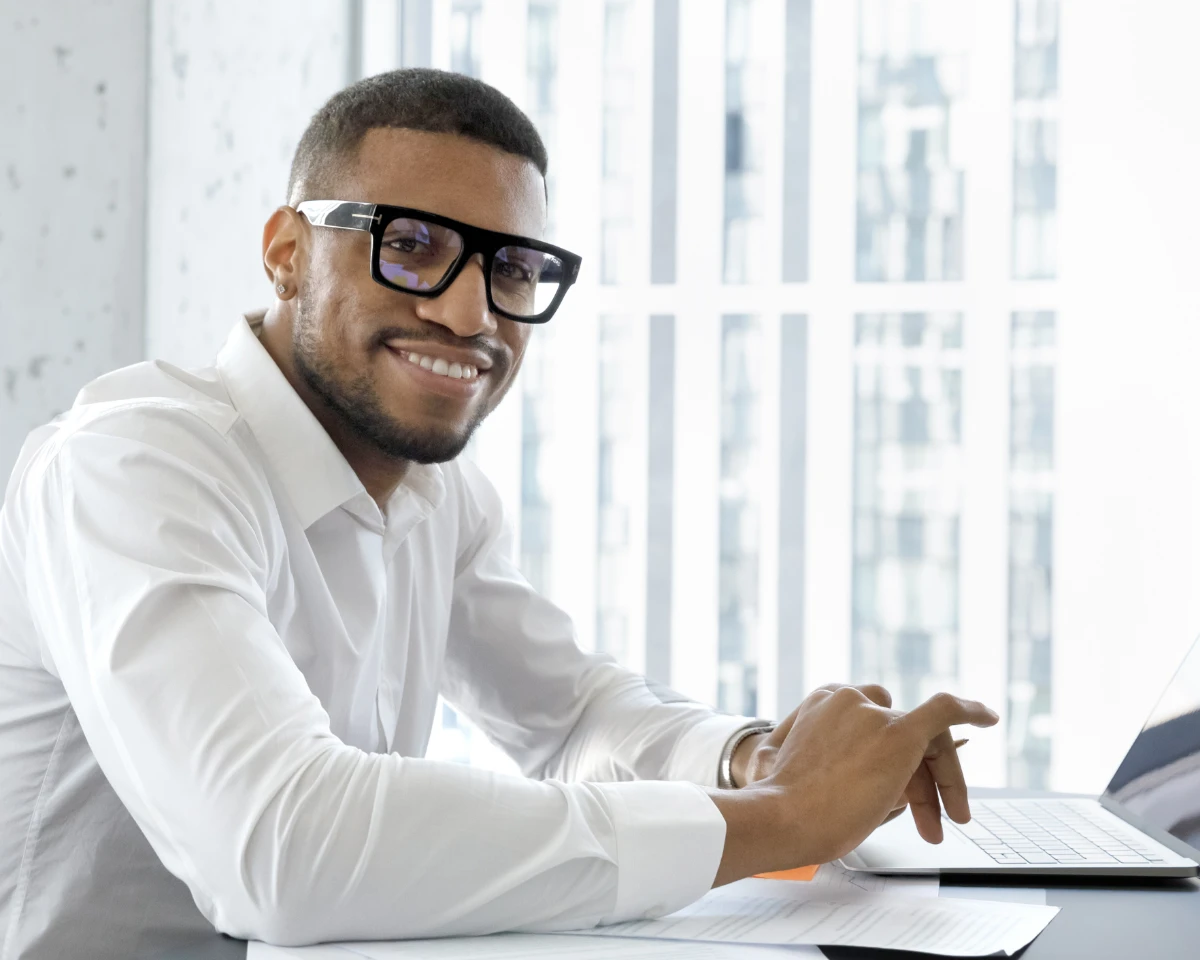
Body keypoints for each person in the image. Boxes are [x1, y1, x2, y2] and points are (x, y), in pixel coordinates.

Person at [0, 69, 999, 958]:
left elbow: (570, 718)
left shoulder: (435, 493)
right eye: (415, 245)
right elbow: (277, 846)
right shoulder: (135, 464)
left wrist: (752, 758)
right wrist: (785, 817)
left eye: (512, 268)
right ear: (288, 252)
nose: (471, 315)